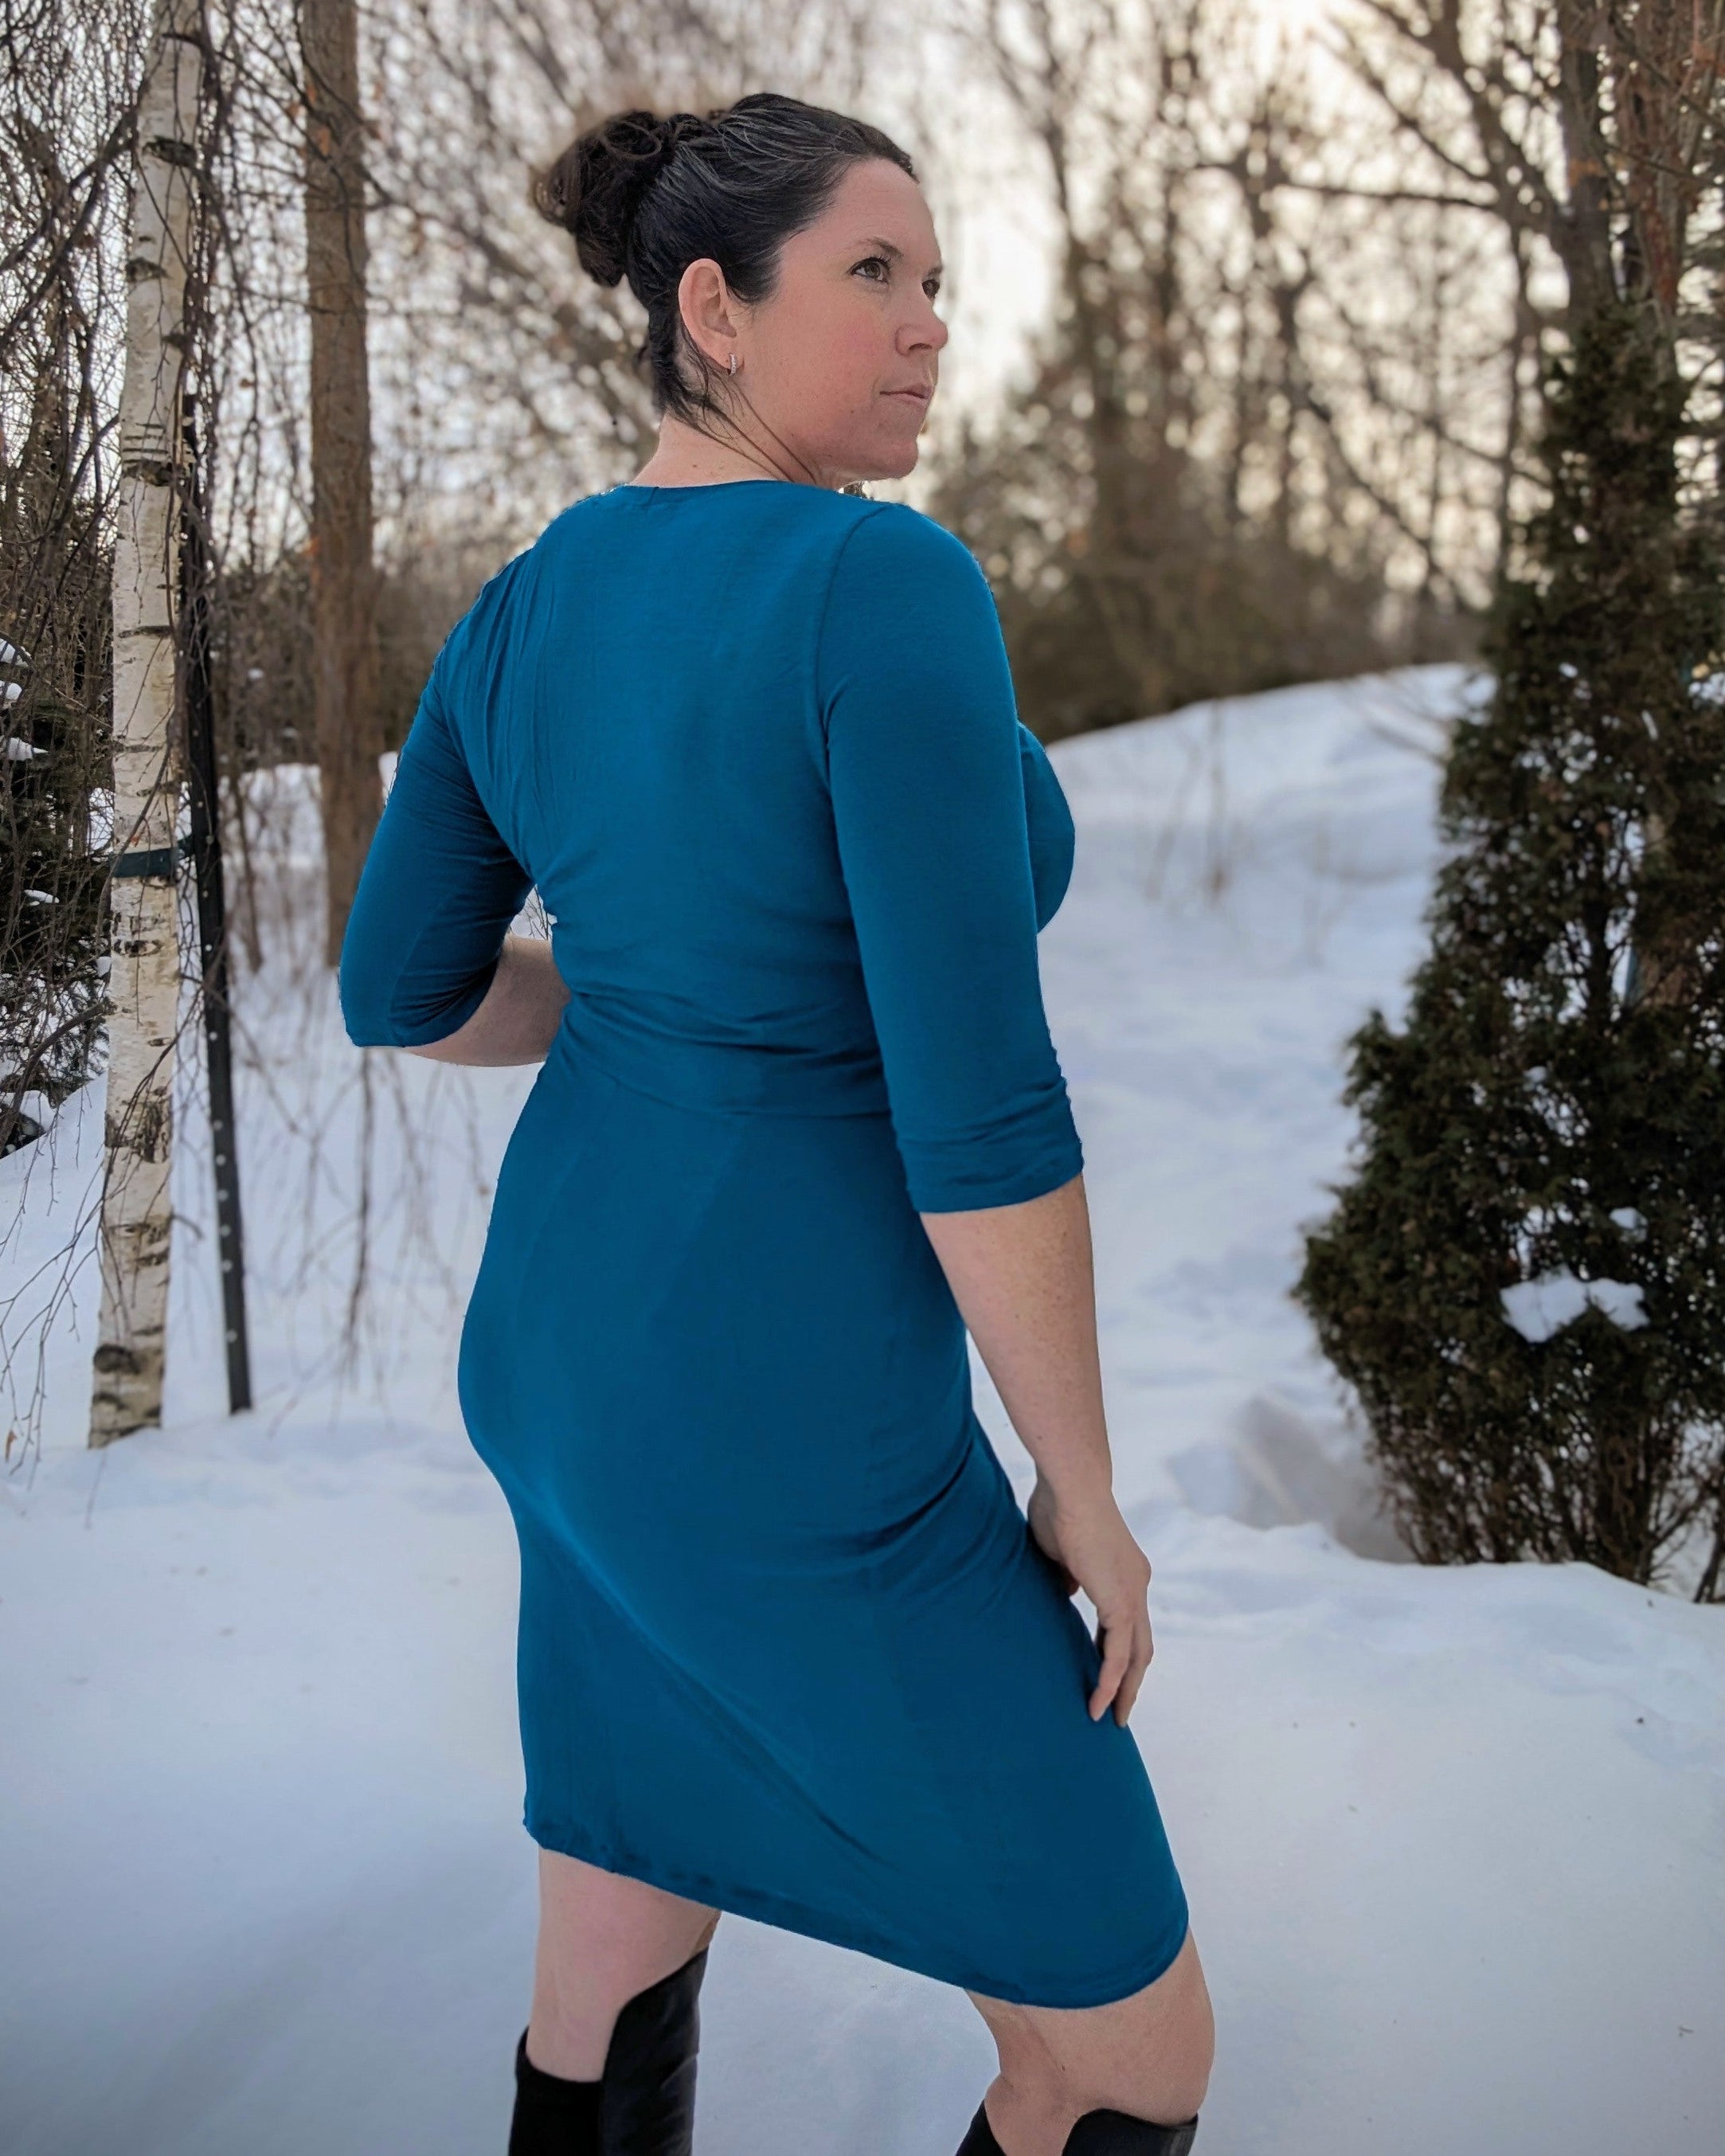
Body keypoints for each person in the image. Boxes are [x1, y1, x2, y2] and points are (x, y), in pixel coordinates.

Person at [338, 89, 1215, 2156]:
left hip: (561, 1366)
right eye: (874, 274)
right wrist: (1080, 1484)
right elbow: (979, 1108)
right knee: (1126, 2051)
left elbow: (412, 988)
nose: (927, 323)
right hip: (786, 1424)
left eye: (937, 281)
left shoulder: (532, 602)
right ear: (713, 310)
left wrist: (650, 1002)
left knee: (617, 1911)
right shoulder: (878, 584)